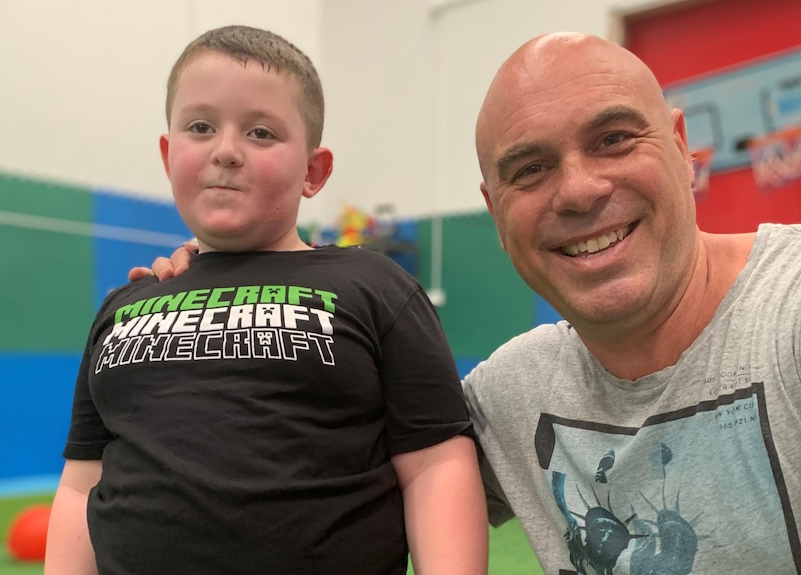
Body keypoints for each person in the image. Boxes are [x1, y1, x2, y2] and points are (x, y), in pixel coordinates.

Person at [134, 31, 801, 574]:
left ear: (682, 149)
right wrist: (215, 289)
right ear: (495, 214)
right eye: (531, 169)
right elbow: (318, 462)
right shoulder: (511, 394)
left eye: (613, 139)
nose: (579, 190)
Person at [46, 25, 487, 575]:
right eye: (200, 126)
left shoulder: (374, 287)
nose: (226, 151)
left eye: (260, 132)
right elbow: (82, 484)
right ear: (167, 153)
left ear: (313, 171)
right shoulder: (123, 307)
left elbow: (435, 465)